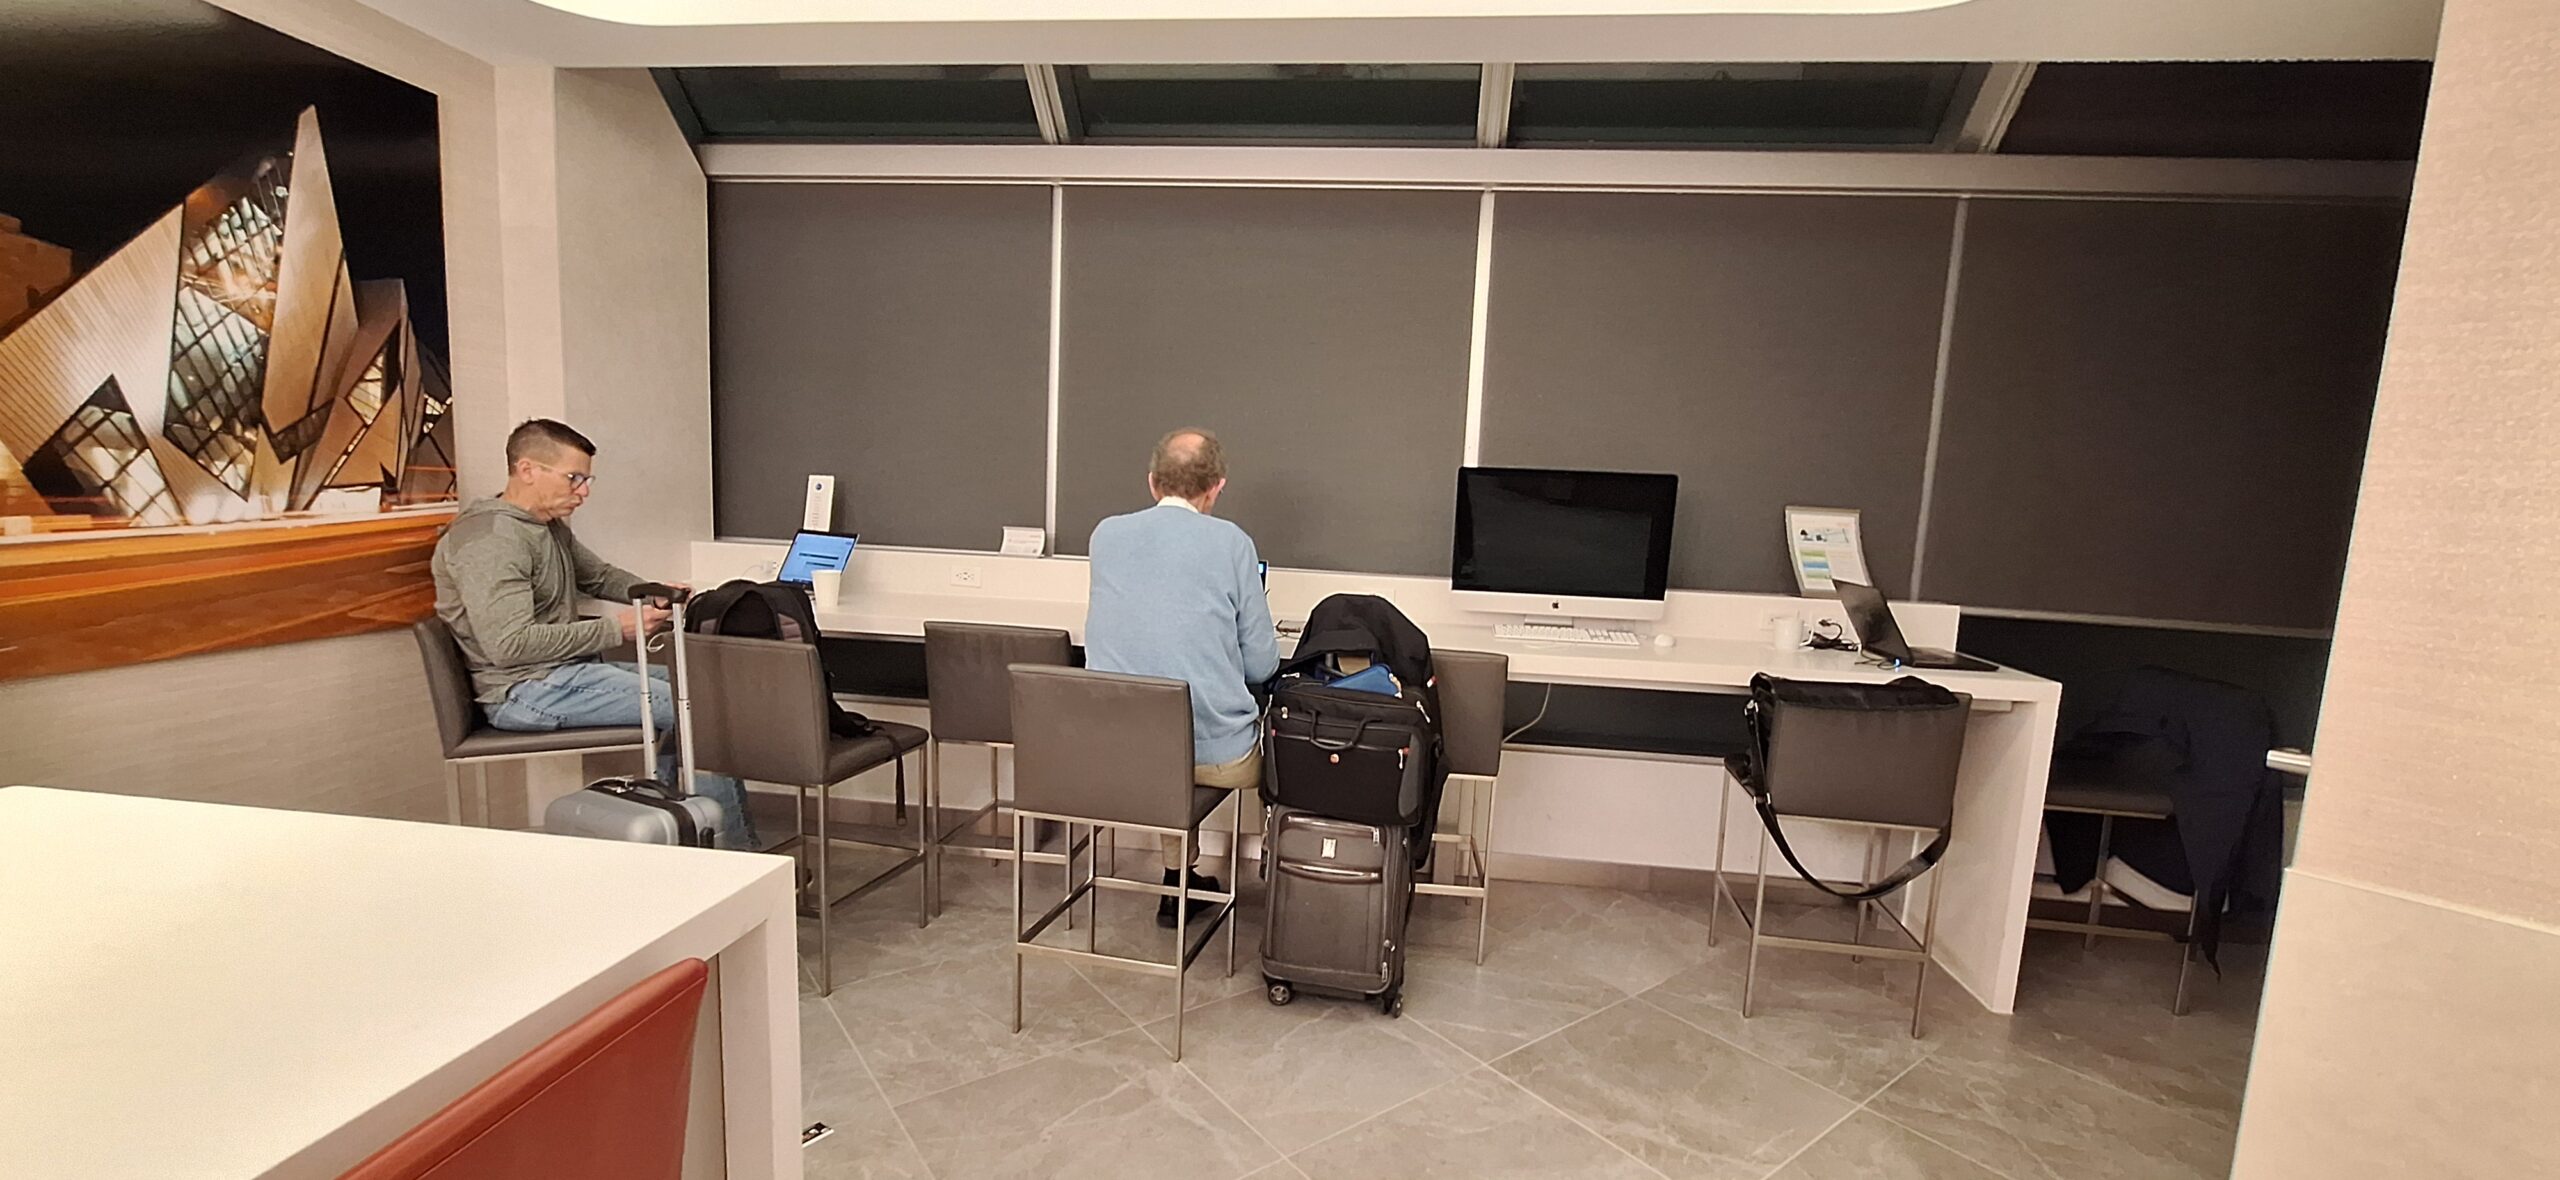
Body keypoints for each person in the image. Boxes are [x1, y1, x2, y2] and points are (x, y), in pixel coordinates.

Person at [431, 419, 756, 850]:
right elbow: (508, 645)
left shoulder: (545, 526)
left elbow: (597, 575)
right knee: (696, 708)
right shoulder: (490, 540)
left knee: (703, 694)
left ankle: (681, 840)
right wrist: (615, 629)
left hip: (564, 676)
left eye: (587, 479)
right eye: (574, 478)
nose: (583, 491)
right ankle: (734, 859)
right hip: (525, 691)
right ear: (527, 470)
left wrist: (652, 594)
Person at [1083, 428, 1280, 926]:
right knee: (1261, 739)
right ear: (1217, 487)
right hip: (1216, 757)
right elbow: (1262, 665)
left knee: (1158, 734)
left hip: (1115, 746)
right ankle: (1280, 881)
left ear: (1152, 483)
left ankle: (1179, 880)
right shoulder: (1232, 543)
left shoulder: (1105, 535)